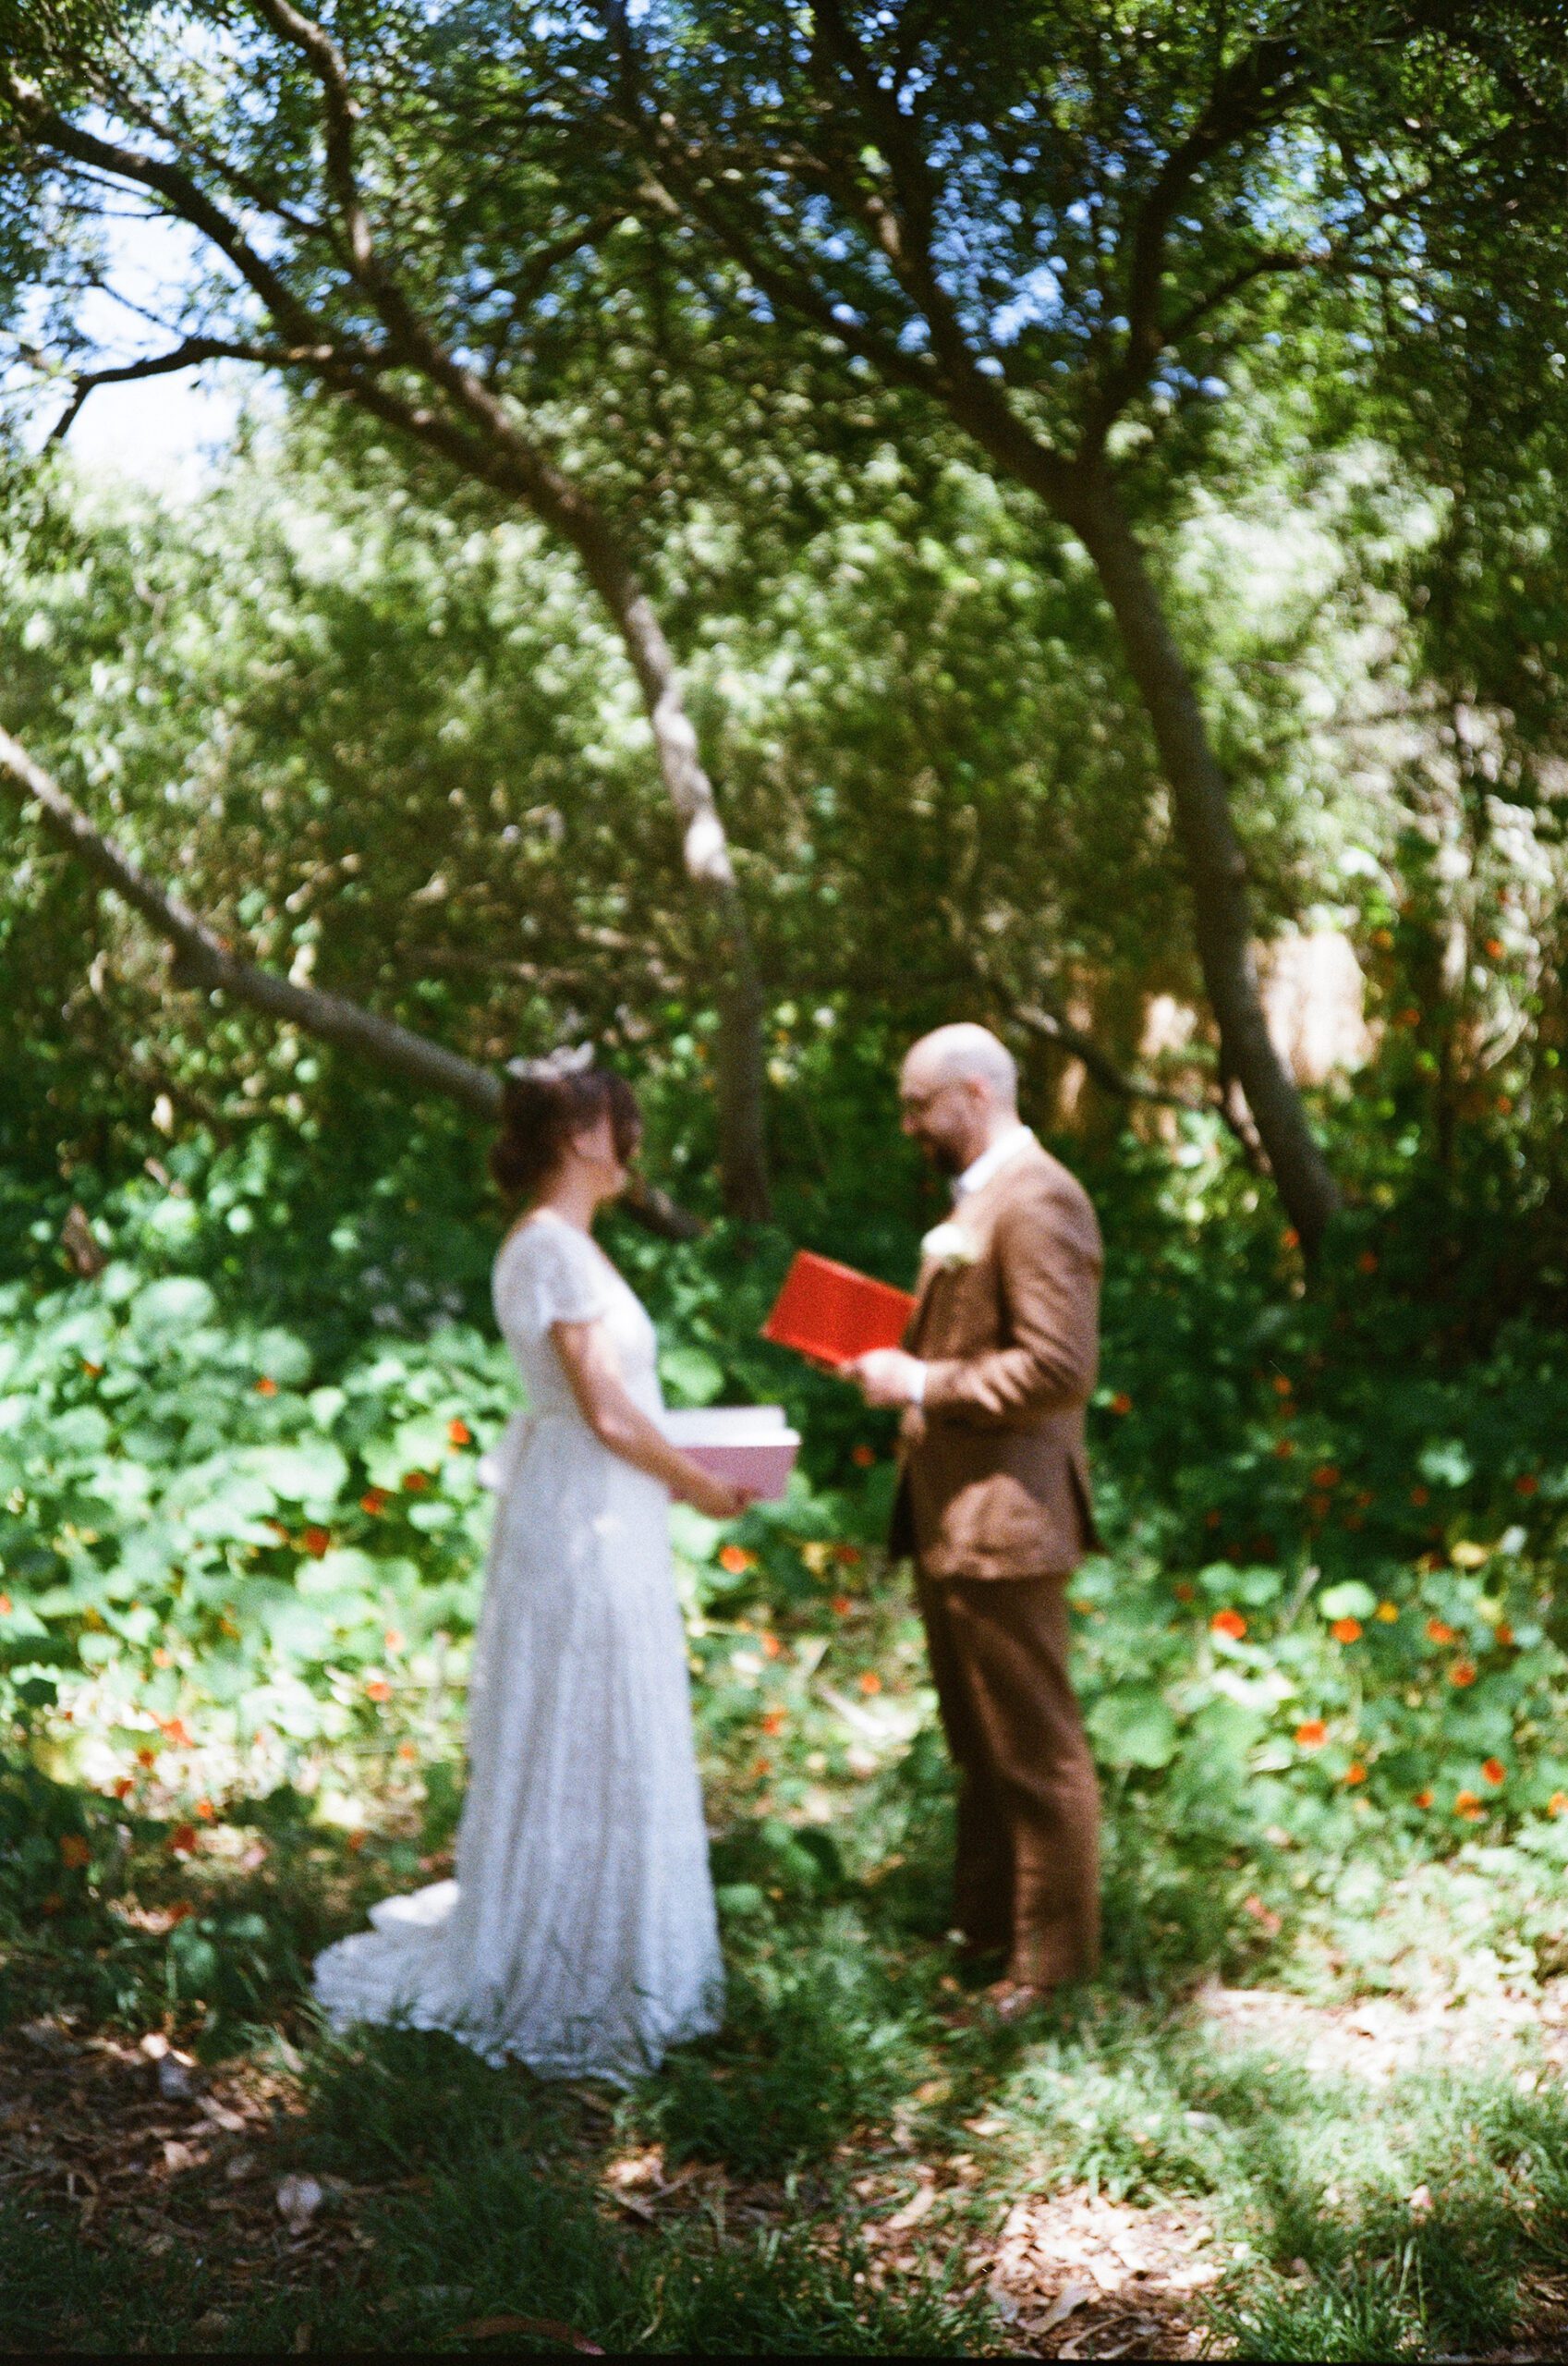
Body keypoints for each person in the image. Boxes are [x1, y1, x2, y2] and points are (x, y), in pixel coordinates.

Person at [313, 1054, 748, 2084]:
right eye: (623, 1124)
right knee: (586, 1703)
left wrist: (687, 1464)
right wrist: (699, 1482)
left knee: (604, 1705)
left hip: (599, 1496)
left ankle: (611, 1940)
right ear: (584, 1136)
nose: (633, 1145)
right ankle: (571, 1962)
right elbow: (604, 1410)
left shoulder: (565, 1244)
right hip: (584, 1505)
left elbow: (614, 1409)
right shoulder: (551, 1248)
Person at [848, 1023, 1103, 2018]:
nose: (909, 1125)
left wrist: (920, 1380)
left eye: (919, 1105)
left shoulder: (1037, 1199)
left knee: (1034, 1752)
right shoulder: (980, 1196)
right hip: (956, 1514)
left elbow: (1057, 1368)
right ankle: (984, 1940)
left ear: (972, 1093)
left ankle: (1051, 1974)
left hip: (1007, 1517)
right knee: (981, 1748)